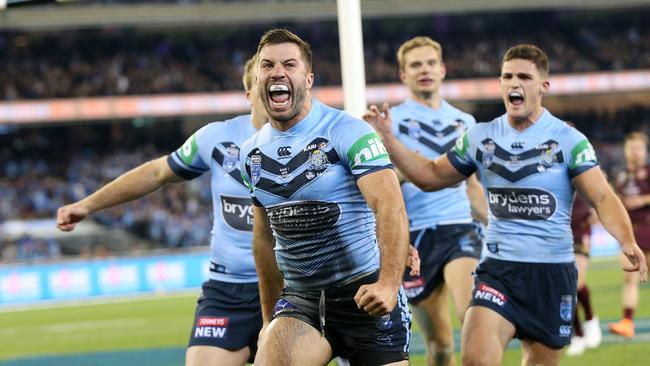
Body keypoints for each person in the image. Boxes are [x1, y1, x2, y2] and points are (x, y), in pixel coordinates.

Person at [364, 44, 648, 366]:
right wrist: (389, 139)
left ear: (543, 86)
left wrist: (625, 239)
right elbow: (430, 176)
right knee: (476, 360)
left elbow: (601, 197)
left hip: (551, 273)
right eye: (507, 76)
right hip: (497, 270)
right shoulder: (479, 137)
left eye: (524, 76)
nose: (514, 83)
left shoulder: (569, 140)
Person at [56, 56, 268, 366]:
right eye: (262, 82)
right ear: (248, 93)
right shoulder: (216, 138)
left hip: (289, 288)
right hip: (227, 291)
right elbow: (157, 173)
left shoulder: (308, 140)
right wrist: (87, 204)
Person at [239, 28, 417, 366]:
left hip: (365, 294)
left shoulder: (349, 131)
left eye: (289, 65)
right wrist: (267, 320)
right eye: (268, 65)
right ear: (258, 77)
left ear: (308, 79)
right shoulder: (251, 155)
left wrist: (388, 285)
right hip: (302, 302)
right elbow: (264, 239)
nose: (277, 72)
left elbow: (389, 207)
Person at [371, 36, 486, 366]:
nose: (425, 70)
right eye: (416, 65)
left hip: (460, 228)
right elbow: (379, 181)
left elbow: (473, 186)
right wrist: (407, 171)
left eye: (431, 63)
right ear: (403, 74)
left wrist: (494, 224)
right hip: (414, 237)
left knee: (472, 320)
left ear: (443, 70)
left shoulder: (467, 122)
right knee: (439, 346)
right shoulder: (388, 123)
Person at [609, 131, 650, 338]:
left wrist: (642, 200)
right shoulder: (621, 175)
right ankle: (627, 321)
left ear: (645, 151)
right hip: (631, 234)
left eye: (638, 148)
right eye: (631, 148)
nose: (634, 152)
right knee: (629, 278)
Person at [565, 193, 602, 355]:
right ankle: (577, 334)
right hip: (558, 236)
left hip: (580, 233)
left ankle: (590, 319)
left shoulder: (577, 172)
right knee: (565, 289)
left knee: (576, 283)